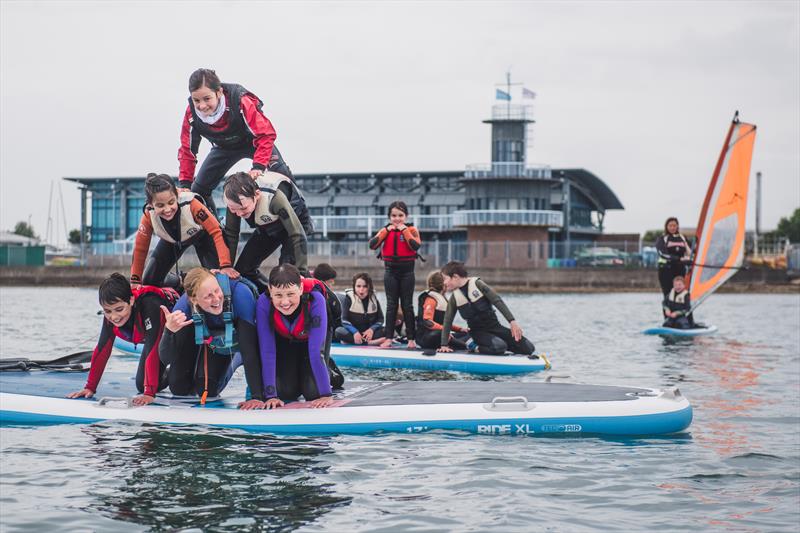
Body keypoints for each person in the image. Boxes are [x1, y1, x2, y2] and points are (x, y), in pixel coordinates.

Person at [178, 68, 297, 216]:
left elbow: (266, 134)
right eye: (196, 100)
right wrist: (185, 183)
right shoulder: (191, 113)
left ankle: (301, 224)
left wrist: (258, 166)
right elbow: (187, 150)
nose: (202, 106)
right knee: (197, 191)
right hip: (223, 148)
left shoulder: (240, 100)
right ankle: (214, 231)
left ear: (219, 92)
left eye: (207, 99)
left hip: (253, 143)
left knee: (282, 174)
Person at [158, 268, 265, 409]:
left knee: (207, 389)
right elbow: (166, 359)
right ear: (194, 299)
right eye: (208, 296)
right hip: (211, 341)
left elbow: (250, 351)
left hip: (240, 342)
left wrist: (256, 397)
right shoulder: (184, 306)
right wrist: (169, 331)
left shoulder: (241, 295)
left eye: (217, 290)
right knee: (179, 387)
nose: (216, 299)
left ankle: (236, 357)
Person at [67, 273, 179, 406]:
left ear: (131, 300)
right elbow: (103, 350)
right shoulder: (110, 314)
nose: (114, 317)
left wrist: (149, 394)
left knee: (179, 386)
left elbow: (152, 348)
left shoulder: (150, 305)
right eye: (108, 311)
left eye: (119, 309)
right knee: (140, 384)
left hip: (180, 335)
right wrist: (90, 387)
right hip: (161, 341)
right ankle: (169, 372)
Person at [131, 173, 236, 288]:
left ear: (177, 196)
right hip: (172, 240)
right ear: (151, 204)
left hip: (202, 236)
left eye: (171, 202)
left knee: (218, 278)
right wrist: (135, 280)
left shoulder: (191, 204)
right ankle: (180, 282)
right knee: (149, 281)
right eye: (160, 205)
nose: (167, 209)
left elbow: (216, 231)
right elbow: (140, 248)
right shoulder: (148, 214)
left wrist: (226, 265)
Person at [256, 264, 334, 408]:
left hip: (312, 342)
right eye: (278, 295)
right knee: (285, 392)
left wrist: (326, 394)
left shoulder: (316, 300)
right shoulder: (263, 303)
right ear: (270, 291)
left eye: (290, 294)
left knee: (313, 392)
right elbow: (267, 351)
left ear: (301, 289)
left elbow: (316, 351)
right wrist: (271, 395)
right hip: (287, 341)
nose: (285, 302)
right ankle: (298, 374)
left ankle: (330, 370)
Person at [222, 171, 310, 292]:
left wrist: (301, 272)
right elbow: (231, 234)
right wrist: (226, 266)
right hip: (267, 226)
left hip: (295, 223)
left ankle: (317, 294)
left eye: (244, 208)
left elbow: (297, 234)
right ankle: (269, 295)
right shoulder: (233, 202)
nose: (239, 214)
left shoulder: (274, 198)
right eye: (234, 210)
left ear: (256, 195)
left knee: (287, 274)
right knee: (243, 271)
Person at [438, 262, 535, 356]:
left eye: (445, 279)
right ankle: (473, 345)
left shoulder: (478, 284)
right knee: (500, 346)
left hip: (495, 327)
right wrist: (444, 345)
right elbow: (448, 320)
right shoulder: (454, 298)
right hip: (478, 333)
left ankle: (497, 344)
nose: (444, 283)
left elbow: (497, 301)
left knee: (528, 348)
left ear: (455, 276)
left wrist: (512, 322)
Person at [368, 201, 421, 349]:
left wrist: (405, 230)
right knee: (391, 305)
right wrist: (385, 231)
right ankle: (389, 338)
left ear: (406, 216)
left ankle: (411, 339)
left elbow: (416, 245)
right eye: (393, 215)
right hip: (390, 271)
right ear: (389, 217)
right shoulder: (386, 230)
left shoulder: (412, 229)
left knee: (407, 305)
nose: (397, 219)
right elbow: (372, 245)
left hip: (407, 272)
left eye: (400, 215)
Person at [416, 271, 470, 351]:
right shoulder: (431, 299)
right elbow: (427, 322)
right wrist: (445, 331)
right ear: (442, 284)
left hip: (441, 333)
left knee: (468, 333)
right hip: (427, 337)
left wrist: (460, 329)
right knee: (440, 334)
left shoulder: (442, 298)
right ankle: (465, 345)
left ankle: (462, 343)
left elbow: (445, 324)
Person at [334, 273, 387, 345]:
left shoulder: (374, 299)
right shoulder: (349, 298)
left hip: (369, 334)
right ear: (354, 287)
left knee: (387, 330)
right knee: (338, 331)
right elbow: (344, 320)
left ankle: (355, 341)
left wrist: (371, 330)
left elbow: (380, 320)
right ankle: (369, 343)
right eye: (358, 286)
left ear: (369, 287)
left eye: (365, 286)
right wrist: (355, 332)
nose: (361, 290)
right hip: (353, 333)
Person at [656, 217, 691, 297]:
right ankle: (667, 309)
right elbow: (662, 253)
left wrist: (689, 259)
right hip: (666, 269)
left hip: (680, 269)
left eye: (674, 225)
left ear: (677, 226)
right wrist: (678, 259)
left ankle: (681, 308)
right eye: (670, 226)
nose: (672, 228)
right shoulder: (662, 238)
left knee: (680, 293)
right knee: (668, 294)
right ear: (666, 226)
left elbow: (691, 252)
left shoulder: (682, 237)